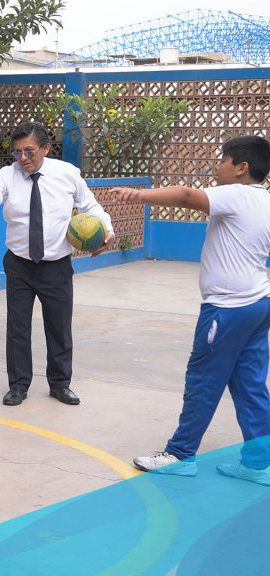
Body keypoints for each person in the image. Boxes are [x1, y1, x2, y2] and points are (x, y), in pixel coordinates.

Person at [116, 136, 270, 486]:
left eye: (223, 160)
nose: (218, 166)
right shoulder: (264, 200)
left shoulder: (236, 194)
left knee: (203, 379)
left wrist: (139, 195)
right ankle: (259, 464)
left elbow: (186, 195)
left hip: (228, 308)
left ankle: (180, 455)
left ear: (242, 168)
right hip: (258, 303)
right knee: (250, 385)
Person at [0, 121, 115, 407]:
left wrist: (107, 231)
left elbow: (91, 206)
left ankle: (60, 384)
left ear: (46, 148)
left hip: (56, 265)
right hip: (19, 265)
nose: (22, 158)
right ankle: (18, 385)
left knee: (59, 327)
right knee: (18, 327)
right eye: (17, 152)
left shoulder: (67, 174)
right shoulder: (7, 176)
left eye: (29, 151)